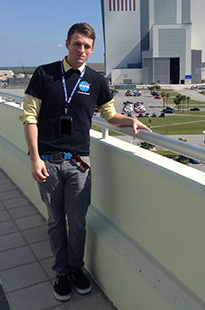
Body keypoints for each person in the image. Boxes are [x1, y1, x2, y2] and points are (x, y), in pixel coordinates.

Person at [20, 23, 151, 301]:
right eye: (77, 44)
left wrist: (131, 120)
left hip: (79, 164)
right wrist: (34, 158)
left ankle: (76, 268)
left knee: (77, 220)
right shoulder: (44, 74)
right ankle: (61, 272)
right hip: (48, 161)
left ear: (92, 50)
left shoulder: (96, 80)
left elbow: (109, 114)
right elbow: (30, 117)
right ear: (67, 43)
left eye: (87, 46)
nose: (82, 50)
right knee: (56, 220)